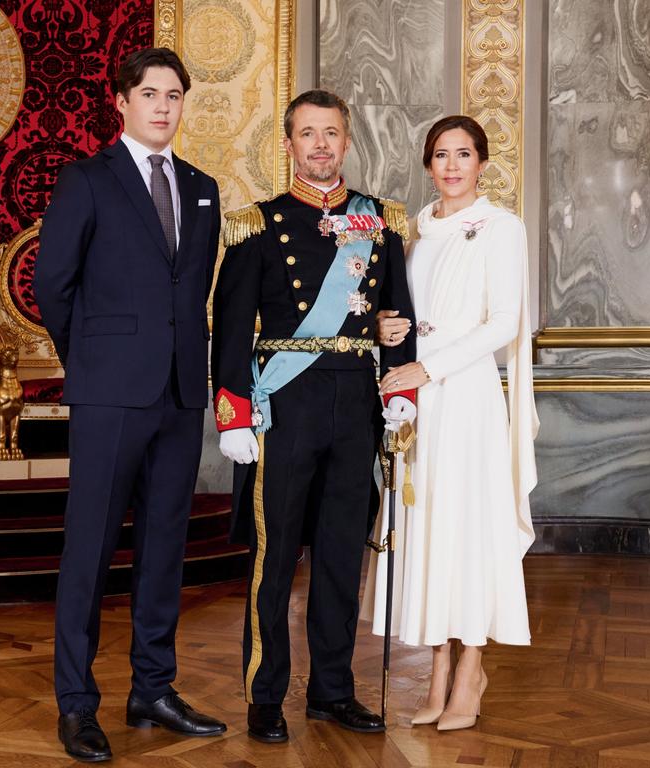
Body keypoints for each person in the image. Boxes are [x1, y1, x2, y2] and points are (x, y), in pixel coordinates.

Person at [34, 47, 225, 762]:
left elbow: (195, 289)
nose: (164, 106)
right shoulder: (86, 180)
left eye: (175, 94)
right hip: (109, 393)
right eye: (151, 93)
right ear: (122, 101)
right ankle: (77, 704)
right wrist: (89, 361)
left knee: (163, 550)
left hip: (179, 394)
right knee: (89, 551)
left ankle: (153, 687)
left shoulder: (203, 189)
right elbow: (52, 285)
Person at [210, 89, 418, 743]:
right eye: (308, 134)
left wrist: (399, 390)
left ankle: (332, 691)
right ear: (289, 145)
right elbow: (232, 326)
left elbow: (395, 313)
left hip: (355, 402)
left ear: (347, 142)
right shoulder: (258, 224)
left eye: (331, 133)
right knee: (274, 560)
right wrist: (233, 413)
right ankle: (265, 693)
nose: (321, 145)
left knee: (338, 556)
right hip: (286, 407)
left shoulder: (379, 223)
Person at [365, 114, 539, 732]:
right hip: (419, 399)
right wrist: (387, 332)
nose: (452, 166)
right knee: (426, 528)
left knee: (466, 529)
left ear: (483, 163)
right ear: (428, 164)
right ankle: (437, 667)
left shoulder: (501, 228)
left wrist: (427, 368)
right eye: (441, 155)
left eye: (464, 154)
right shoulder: (413, 235)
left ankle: (471, 668)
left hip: (463, 396)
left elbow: (503, 322)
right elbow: (405, 315)